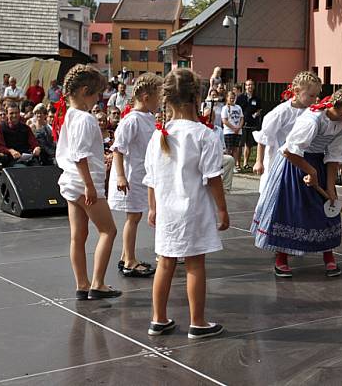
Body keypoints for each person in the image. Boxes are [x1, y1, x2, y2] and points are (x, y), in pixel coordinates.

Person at [143, 68, 229, 339]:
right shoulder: (204, 135)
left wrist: (153, 207)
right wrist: (222, 209)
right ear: (197, 96)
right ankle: (198, 322)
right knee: (195, 264)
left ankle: (158, 319)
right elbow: (213, 177)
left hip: (167, 210)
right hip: (193, 210)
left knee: (164, 262)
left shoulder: (159, 134)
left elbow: (152, 178)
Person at [251, 86, 342, 278]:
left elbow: (333, 158)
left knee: (327, 208)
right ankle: (282, 258)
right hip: (294, 163)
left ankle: (328, 256)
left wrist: (330, 188)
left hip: (318, 164)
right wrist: (310, 171)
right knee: (292, 210)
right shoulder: (313, 119)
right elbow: (289, 151)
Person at [55, 64, 121, 301]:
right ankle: (98, 283)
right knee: (108, 231)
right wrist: (90, 186)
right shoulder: (85, 118)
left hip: (71, 183)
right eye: (96, 95)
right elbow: (80, 155)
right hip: (85, 184)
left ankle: (82, 284)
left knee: (78, 235)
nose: (98, 101)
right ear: (85, 92)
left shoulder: (70, 115)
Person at [108, 73, 163, 278]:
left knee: (136, 215)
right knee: (133, 217)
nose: (160, 102)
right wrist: (121, 176)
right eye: (158, 97)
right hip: (131, 176)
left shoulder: (148, 118)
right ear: (147, 97)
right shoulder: (131, 120)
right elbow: (118, 149)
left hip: (141, 175)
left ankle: (126, 256)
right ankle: (130, 260)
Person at [252, 71, 322, 193]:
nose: (315, 99)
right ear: (296, 91)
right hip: (278, 160)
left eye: (316, 96)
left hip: (298, 161)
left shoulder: (311, 112)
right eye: (311, 96)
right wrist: (259, 161)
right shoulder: (281, 112)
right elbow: (264, 137)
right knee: (274, 193)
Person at [236, 80, 262, 169]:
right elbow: (236, 108)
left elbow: (259, 109)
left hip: (252, 124)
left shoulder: (257, 98)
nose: (249, 86)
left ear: (253, 86)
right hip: (241, 124)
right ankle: (238, 164)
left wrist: (256, 114)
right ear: (245, 87)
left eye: (251, 85)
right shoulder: (240, 98)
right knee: (240, 144)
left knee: (248, 145)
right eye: (248, 85)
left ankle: (245, 163)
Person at [221, 91, 243, 172]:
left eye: (233, 97)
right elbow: (224, 120)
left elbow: (241, 118)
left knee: (236, 149)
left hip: (238, 131)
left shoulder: (238, 107)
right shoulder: (225, 108)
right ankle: (227, 166)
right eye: (230, 97)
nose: (232, 99)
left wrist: (239, 127)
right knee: (228, 149)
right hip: (229, 131)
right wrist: (233, 128)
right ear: (227, 98)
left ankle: (234, 166)